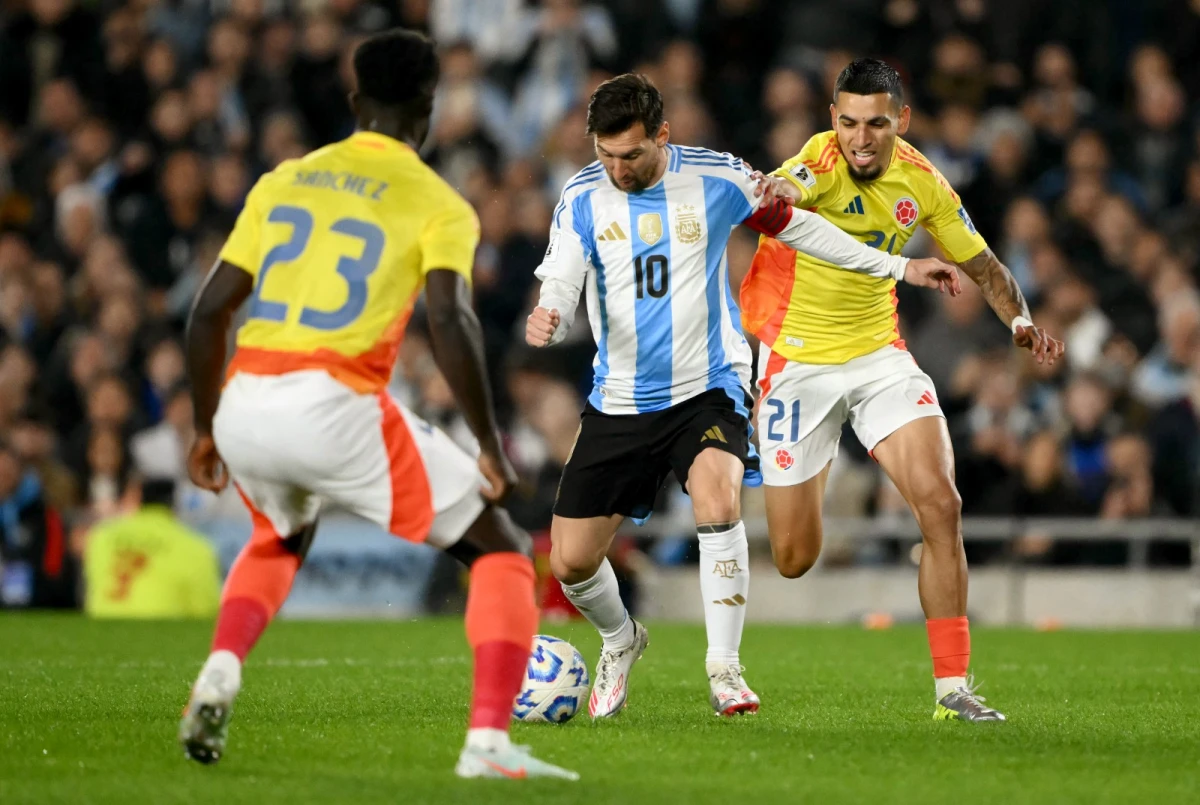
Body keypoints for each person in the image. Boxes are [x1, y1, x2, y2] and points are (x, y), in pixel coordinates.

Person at [179, 29, 577, 781]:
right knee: (500, 548)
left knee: (279, 534)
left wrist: (205, 429)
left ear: (354, 98)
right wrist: (489, 443)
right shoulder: (439, 202)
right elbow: (451, 320)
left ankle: (221, 670)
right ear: (429, 107)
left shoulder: (285, 179)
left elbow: (207, 315)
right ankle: (488, 744)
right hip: (332, 401)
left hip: (246, 399)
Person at [525, 73, 958, 719]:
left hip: (709, 383)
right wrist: (552, 311)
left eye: (631, 154)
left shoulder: (717, 178)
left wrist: (898, 266)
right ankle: (621, 638)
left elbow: (801, 228)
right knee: (570, 562)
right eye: (605, 154)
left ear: (662, 135)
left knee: (717, 498)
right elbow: (562, 272)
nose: (618, 169)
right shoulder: (582, 194)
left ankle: (724, 668)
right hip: (621, 398)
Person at [744, 59, 1065, 722]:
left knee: (941, 504)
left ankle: (953, 689)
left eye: (877, 124)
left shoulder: (922, 181)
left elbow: (987, 268)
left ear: (903, 121)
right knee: (794, 556)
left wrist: (1021, 322)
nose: (861, 139)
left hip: (878, 357)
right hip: (796, 363)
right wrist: (769, 189)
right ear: (833, 120)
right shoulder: (817, 162)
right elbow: (784, 188)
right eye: (849, 123)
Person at [83, 477, 220, 619]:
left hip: (103, 625)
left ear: (140, 500)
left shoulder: (101, 537)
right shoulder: (195, 547)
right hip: (163, 628)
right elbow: (206, 611)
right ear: (175, 504)